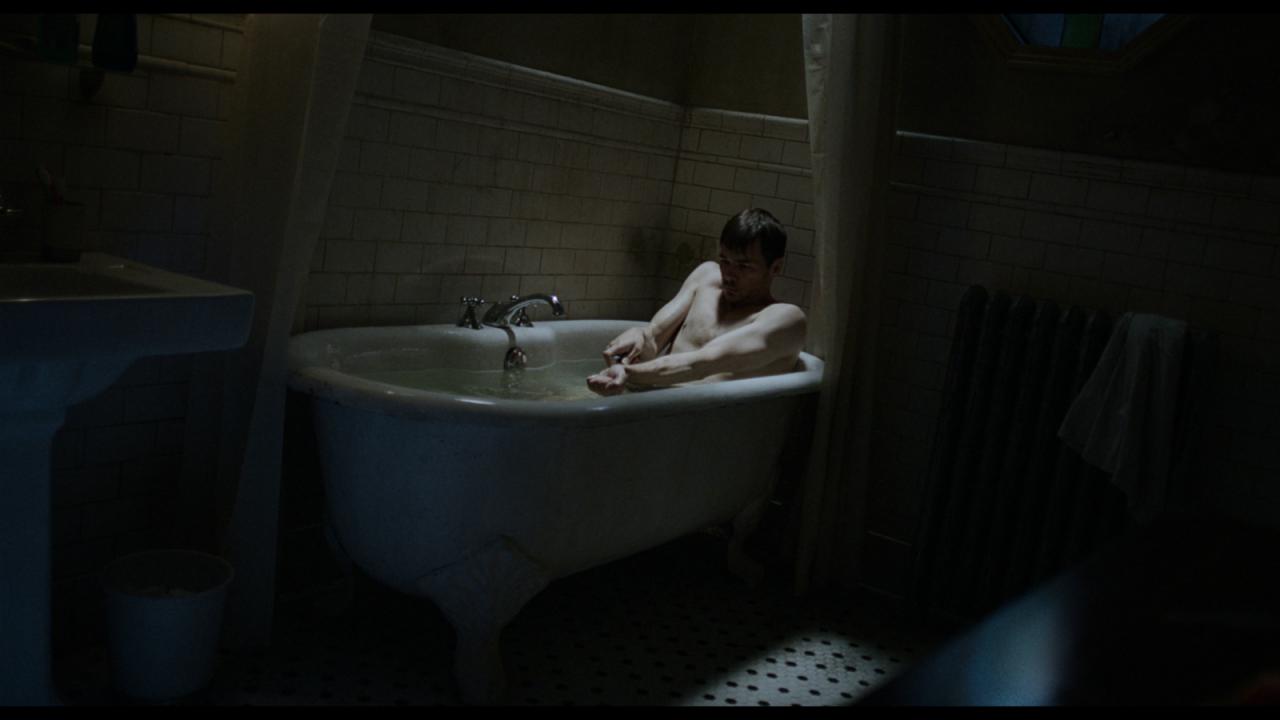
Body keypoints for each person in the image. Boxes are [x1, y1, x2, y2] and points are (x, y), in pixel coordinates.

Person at [587, 208, 807, 396]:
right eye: (725, 260)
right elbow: (652, 340)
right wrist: (637, 339)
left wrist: (627, 373)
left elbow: (700, 364)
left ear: (775, 268)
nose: (729, 275)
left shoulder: (786, 320)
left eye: (744, 266)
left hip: (706, 422)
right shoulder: (706, 278)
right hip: (653, 404)